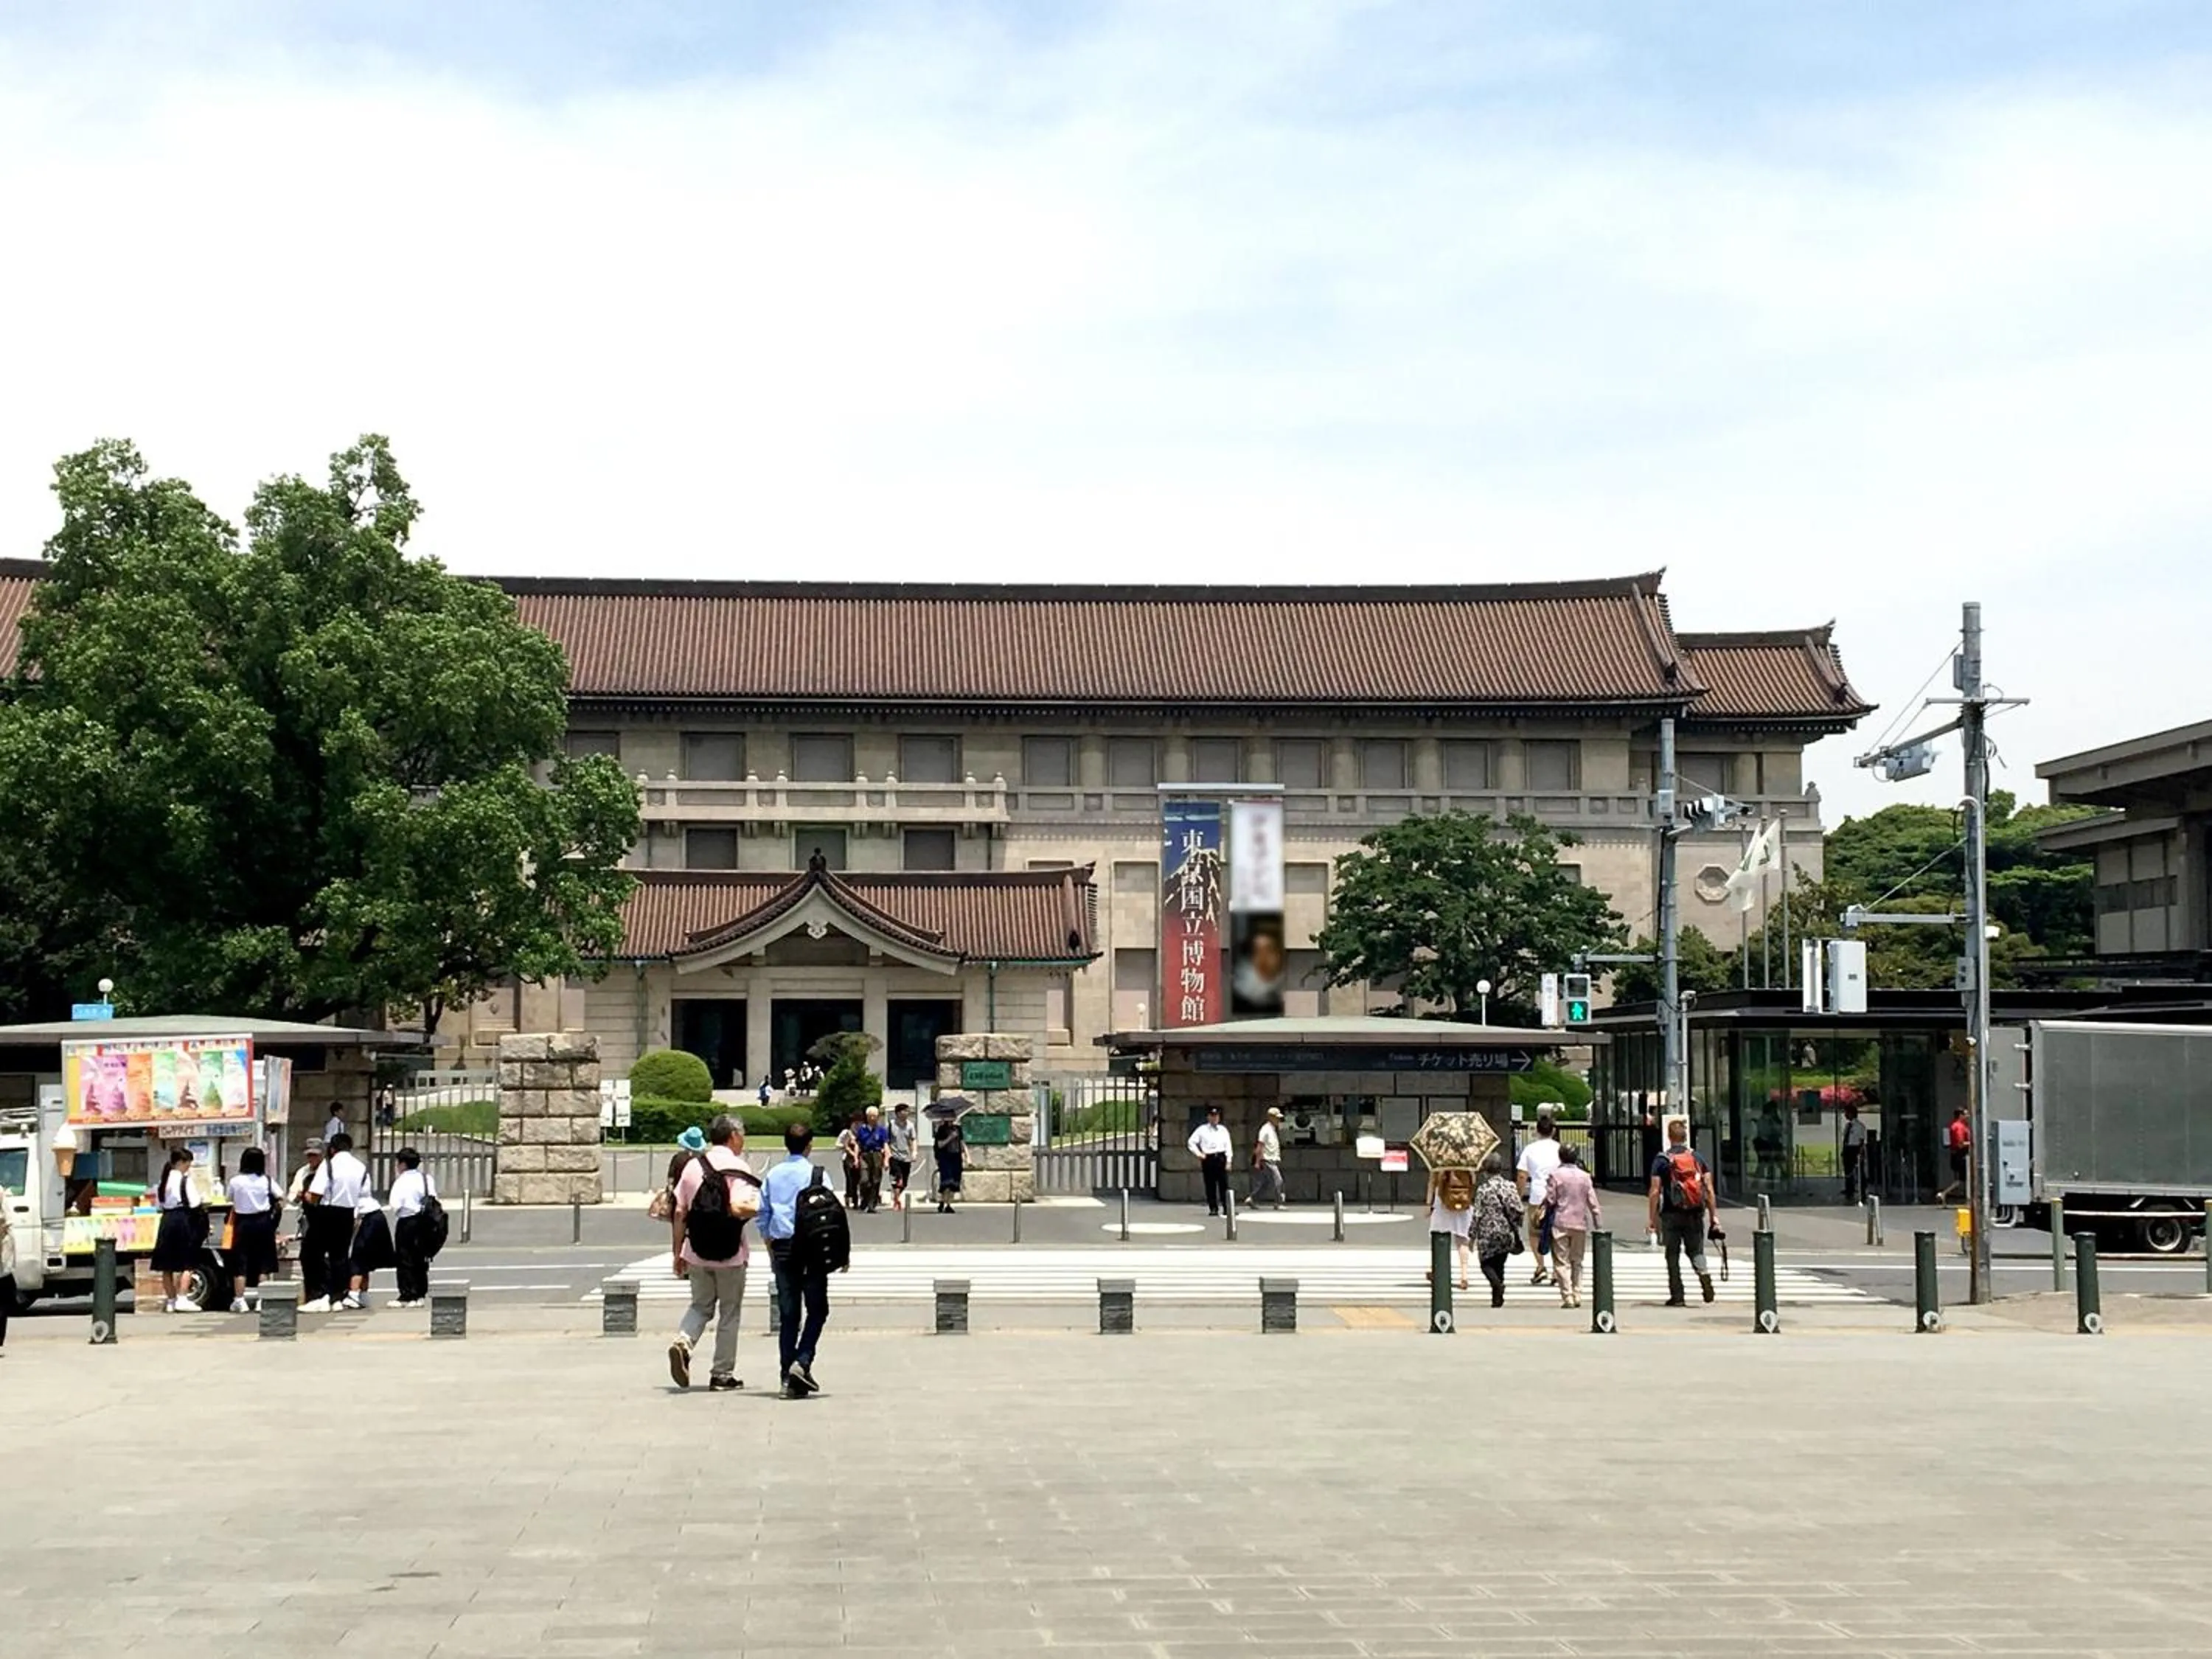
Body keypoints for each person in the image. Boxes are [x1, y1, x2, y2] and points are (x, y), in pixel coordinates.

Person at [667, 1114, 759, 1392]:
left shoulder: (694, 1167)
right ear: (733, 1136)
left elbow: (680, 1212)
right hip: (731, 1253)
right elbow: (741, 1206)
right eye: (741, 1134)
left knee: (700, 1305)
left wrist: (677, 1252)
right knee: (729, 1312)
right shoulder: (738, 1167)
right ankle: (721, 1374)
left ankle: (684, 1341)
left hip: (696, 1250)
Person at [761, 1121, 831, 1398]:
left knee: (789, 1316)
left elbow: (763, 1214)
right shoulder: (818, 1175)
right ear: (810, 1145)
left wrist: (770, 1246)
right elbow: (830, 1214)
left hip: (783, 1248)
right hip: (813, 1250)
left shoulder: (774, 1174)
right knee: (818, 1310)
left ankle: (786, 1379)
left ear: (785, 1144)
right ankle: (802, 1361)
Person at [1647, 1118, 1718, 1307]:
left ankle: (1677, 1295)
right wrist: (1714, 1217)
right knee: (1696, 1251)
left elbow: (1655, 1191)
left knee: (1672, 1255)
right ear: (1686, 1137)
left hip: (1671, 1213)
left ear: (1670, 1137)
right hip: (1695, 1212)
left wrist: (1652, 1219)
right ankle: (1703, 1274)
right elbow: (1709, 1189)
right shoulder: (1697, 1158)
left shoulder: (1662, 1160)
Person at [302, 1133, 369, 1312]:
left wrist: (306, 1197)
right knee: (340, 1257)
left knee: (312, 1254)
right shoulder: (360, 1167)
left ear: (332, 1149)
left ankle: (319, 1295)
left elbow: (315, 1194)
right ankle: (338, 1296)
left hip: (327, 1212)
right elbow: (364, 1194)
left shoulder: (329, 1164)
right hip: (348, 1213)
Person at [151, 1147, 209, 1312]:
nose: (188, 1168)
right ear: (181, 1163)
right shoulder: (185, 1181)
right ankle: (183, 1298)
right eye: (188, 1164)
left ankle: (171, 1301)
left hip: (167, 1221)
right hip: (183, 1220)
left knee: (167, 1266)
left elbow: (158, 1206)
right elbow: (195, 1203)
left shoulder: (162, 1182)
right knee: (188, 1262)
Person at [1545, 1144, 1601, 1309]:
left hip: (1560, 1222)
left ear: (1560, 1157)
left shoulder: (1555, 1175)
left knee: (1561, 1261)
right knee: (1577, 1260)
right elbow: (1593, 1202)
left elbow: (1551, 1199)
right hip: (1579, 1223)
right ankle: (1577, 1293)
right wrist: (1598, 1223)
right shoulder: (1585, 1177)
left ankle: (1567, 1296)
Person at [225, 1147, 280, 1313]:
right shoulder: (267, 1181)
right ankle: (261, 1300)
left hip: (243, 1223)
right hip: (263, 1223)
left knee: (240, 1262)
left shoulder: (236, 1181)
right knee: (264, 1262)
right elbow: (281, 1196)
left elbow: (229, 1198)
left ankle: (239, 1300)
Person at [1470, 1153, 1524, 1309]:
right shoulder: (1510, 1186)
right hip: (1506, 1230)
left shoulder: (1483, 1189)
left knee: (1486, 1264)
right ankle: (1497, 1298)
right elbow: (1518, 1208)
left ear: (1486, 1171)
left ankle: (1497, 1287)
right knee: (1500, 1263)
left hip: (1488, 1231)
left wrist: (1472, 1236)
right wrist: (1516, 1224)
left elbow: (1478, 1214)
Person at [1515, 1113, 1562, 1285]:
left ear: (1537, 1130)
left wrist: (1518, 1197)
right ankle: (1558, 1269)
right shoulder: (1559, 1148)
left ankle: (1541, 1266)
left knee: (1535, 1231)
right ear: (1553, 1130)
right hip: (1557, 1195)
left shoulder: (1530, 1149)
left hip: (1537, 1194)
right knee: (1556, 1233)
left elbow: (1522, 1175)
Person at [389, 1148, 439, 1309]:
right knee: (420, 1257)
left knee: (404, 1259)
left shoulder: (401, 1181)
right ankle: (420, 1294)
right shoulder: (426, 1178)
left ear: (402, 1164)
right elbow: (433, 1198)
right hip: (424, 1222)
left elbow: (395, 1205)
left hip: (407, 1221)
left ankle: (407, 1294)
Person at [343, 1159, 394, 1311]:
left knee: (358, 1258)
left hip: (367, 1217)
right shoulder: (362, 1174)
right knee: (366, 1259)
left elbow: (354, 1217)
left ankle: (353, 1294)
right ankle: (363, 1293)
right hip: (377, 1215)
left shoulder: (350, 1192)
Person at [1426, 1164, 1477, 1290]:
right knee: (1462, 1240)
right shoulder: (1467, 1160)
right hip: (1463, 1201)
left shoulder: (1440, 1160)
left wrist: (1429, 1204)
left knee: (1440, 1238)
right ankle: (1464, 1276)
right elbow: (1473, 1181)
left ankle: (1437, 1271)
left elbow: (1432, 1182)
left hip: (1443, 1202)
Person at [1188, 1106, 1232, 1217]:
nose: (1214, 1118)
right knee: (1210, 1184)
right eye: (1212, 1116)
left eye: (1216, 1116)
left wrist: (1229, 1161)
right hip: (1209, 1158)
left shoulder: (1223, 1130)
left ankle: (1227, 1208)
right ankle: (1213, 1208)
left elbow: (1228, 1145)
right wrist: (1199, 1154)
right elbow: (1191, 1142)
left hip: (1221, 1157)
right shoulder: (1202, 1130)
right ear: (1208, 1117)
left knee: (1224, 1185)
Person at [1250, 1105, 1286, 1208]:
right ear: (1271, 1118)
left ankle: (1253, 1199)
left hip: (1272, 1159)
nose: (1278, 1120)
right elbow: (1260, 1146)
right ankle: (1278, 1203)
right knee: (1278, 1180)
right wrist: (1257, 1161)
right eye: (1276, 1118)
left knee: (1266, 1183)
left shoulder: (1273, 1129)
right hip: (1267, 1159)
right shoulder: (1265, 1130)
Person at [855, 1105, 888, 1213]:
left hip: (877, 1155)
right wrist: (856, 1158)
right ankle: (864, 1198)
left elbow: (885, 1145)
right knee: (865, 1180)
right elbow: (857, 1144)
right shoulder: (862, 1130)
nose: (874, 1118)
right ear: (867, 1117)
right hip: (865, 1155)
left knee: (876, 1180)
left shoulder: (882, 1130)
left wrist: (886, 1160)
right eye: (871, 1116)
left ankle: (872, 1204)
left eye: (875, 1116)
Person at [1937, 1106, 1971, 1203]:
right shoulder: (1959, 1127)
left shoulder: (1958, 1126)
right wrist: (1972, 1143)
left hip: (1959, 1155)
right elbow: (1960, 1144)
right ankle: (1945, 1193)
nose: (1967, 1116)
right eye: (1965, 1114)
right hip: (1961, 1155)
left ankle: (1946, 1194)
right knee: (1963, 1178)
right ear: (1960, 1115)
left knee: (1963, 1179)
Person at [886, 1102, 917, 1209]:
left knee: (904, 1182)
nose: (907, 1113)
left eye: (907, 1111)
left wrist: (914, 1152)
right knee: (898, 1179)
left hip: (906, 1157)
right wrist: (887, 1155)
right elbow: (887, 1141)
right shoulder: (891, 1125)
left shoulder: (910, 1125)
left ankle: (896, 1197)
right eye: (904, 1111)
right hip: (894, 1156)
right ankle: (897, 1201)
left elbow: (913, 1140)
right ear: (898, 1113)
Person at [933, 1111, 964, 1213]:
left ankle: (944, 1202)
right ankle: (948, 1205)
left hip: (956, 1157)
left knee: (954, 1183)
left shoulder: (958, 1129)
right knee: (947, 1181)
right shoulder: (942, 1129)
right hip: (946, 1158)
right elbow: (940, 1145)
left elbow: (962, 1143)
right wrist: (950, 1137)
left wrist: (967, 1156)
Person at [1840, 1104, 1868, 1203]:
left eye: (1847, 1113)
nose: (1845, 1115)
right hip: (1848, 1149)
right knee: (1848, 1172)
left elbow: (1861, 1140)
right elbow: (1846, 1139)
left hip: (1855, 1149)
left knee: (1859, 1172)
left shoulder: (1859, 1126)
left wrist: (1859, 1153)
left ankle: (1862, 1191)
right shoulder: (1848, 1126)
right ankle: (1849, 1190)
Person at [836, 1116, 862, 1208]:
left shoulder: (861, 1133)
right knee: (850, 1180)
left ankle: (856, 1200)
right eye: (856, 1124)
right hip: (847, 1159)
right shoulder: (846, 1133)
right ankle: (848, 1196)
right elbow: (837, 1144)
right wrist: (845, 1147)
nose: (857, 1126)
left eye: (859, 1123)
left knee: (858, 1180)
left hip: (859, 1158)